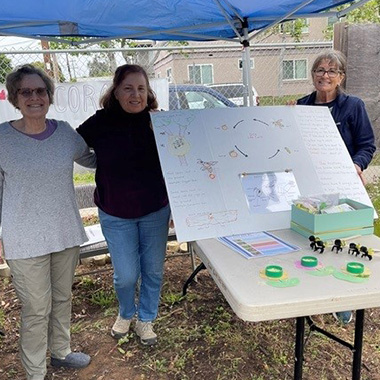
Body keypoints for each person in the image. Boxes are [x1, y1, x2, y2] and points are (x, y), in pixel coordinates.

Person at [0, 64, 96, 380]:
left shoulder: (65, 133)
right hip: (23, 239)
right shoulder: (2, 138)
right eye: (26, 92)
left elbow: (95, 159)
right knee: (36, 310)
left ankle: (61, 352)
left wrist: (140, 145)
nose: (34, 97)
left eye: (40, 90)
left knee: (62, 297)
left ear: (49, 96)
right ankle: (35, 372)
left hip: (64, 232)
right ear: (15, 97)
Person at [76, 64, 170, 346]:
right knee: (126, 275)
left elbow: (182, 154)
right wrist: (97, 161)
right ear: (116, 91)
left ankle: (146, 319)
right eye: (128, 88)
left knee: (153, 269)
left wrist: (164, 130)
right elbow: (74, 147)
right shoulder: (101, 122)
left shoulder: (158, 120)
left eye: (141, 89)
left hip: (155, 209)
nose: (135, 94)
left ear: (148, 92)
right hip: (115, 212)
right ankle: (126, 313)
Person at [297, 50, 376, 324]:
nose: (325, 75)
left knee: (344, 239)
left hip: (343, 184)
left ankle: (344, 299)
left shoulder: (353, 106)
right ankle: (312, 289)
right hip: (310, 184)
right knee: (310, 236)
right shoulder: (301, 105)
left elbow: (367, 145)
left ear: (341, 77)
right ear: (313, 75)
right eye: (320, 70)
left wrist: (356, 165)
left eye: (332, 71)